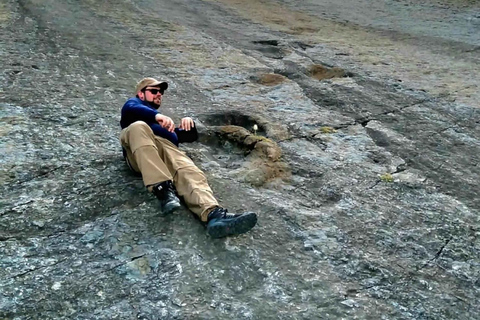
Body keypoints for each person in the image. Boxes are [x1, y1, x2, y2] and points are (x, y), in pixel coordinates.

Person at [120, 77, 257, 238]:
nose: (159, 94)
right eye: (154, 91)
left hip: (166, 151)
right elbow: (131, 107)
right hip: (139, 151)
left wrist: (189, 124)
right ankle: (162, 190)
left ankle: (213, 215)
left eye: (161, 92)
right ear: (141, 94)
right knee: (138, 127)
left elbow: (187, 136)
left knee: (188, 170)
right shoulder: (134, 109)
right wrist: (157, 116)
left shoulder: (162, 126)